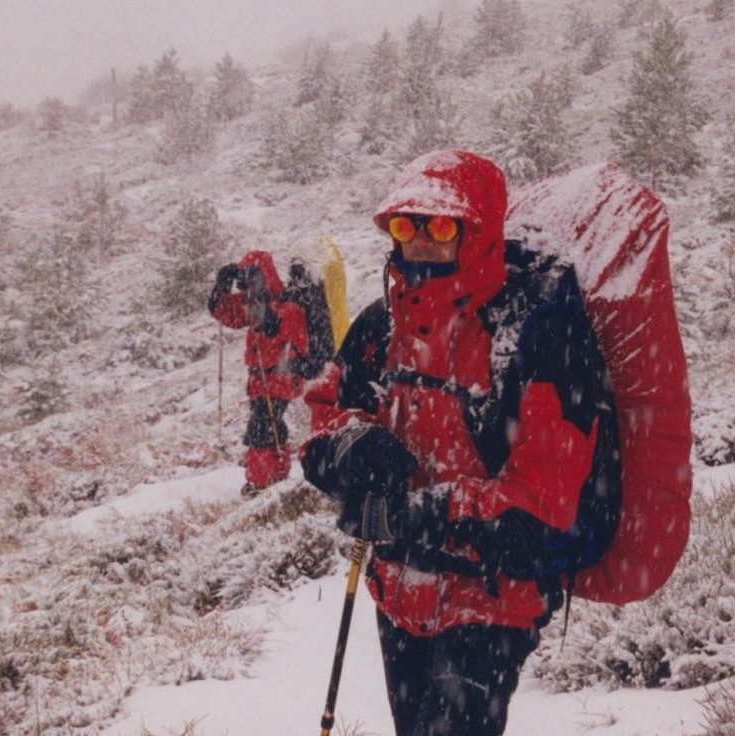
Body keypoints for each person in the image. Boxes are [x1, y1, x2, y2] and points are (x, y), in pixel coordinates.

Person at [301, 151, 621, 736]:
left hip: (492, 601)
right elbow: (324, 420)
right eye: (406, 225)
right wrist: (351, 446)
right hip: (398, 591)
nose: (420, 240)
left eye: (441, 225)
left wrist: (422, 513)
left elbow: (544, 499)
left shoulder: (535, 333)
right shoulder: (380, 326)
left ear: (476, 232)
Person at [208, 250, 315, 491]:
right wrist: (221, 286)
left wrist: (266, 312)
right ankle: (271, 477)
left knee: (263, 428)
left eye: (253, 278)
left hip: (280, 379)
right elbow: (224, 312)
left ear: (265, 275)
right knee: (268, 427)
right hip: (261, 381)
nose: (249, 287)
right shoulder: (254, 302)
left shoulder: (288, 305)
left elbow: (288, 336)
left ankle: (262, 481)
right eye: (245, 281)